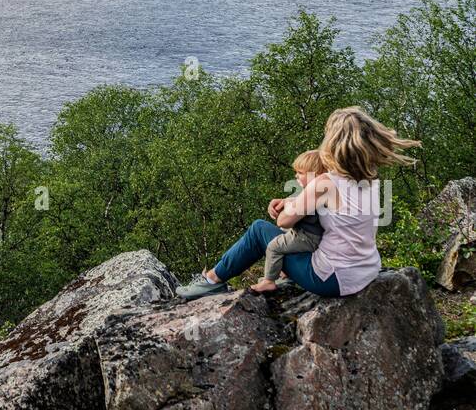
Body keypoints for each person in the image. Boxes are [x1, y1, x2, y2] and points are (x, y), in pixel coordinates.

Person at [177, 107, 421, 302]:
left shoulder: (325, 183)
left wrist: (287, 206)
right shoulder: (370, 180)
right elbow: (334, 213)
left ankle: (210, 282)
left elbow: (284, 221)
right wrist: (294, 200)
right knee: (299, 234)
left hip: (330, 279)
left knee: (259, 230)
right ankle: (275, 275)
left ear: (333, 142)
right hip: (365, 270)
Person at [250, 149, 325, 293]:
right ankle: (284, 273)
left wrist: (288, 205)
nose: (296, 176)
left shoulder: (316, 192)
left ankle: (269, 281)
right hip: (310, 234)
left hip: (308, 237)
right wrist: (287, 201)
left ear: (315, 175)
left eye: (301, 173)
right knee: (283, 234)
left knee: (274, 246)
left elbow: (289, 218)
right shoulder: (319, 190)